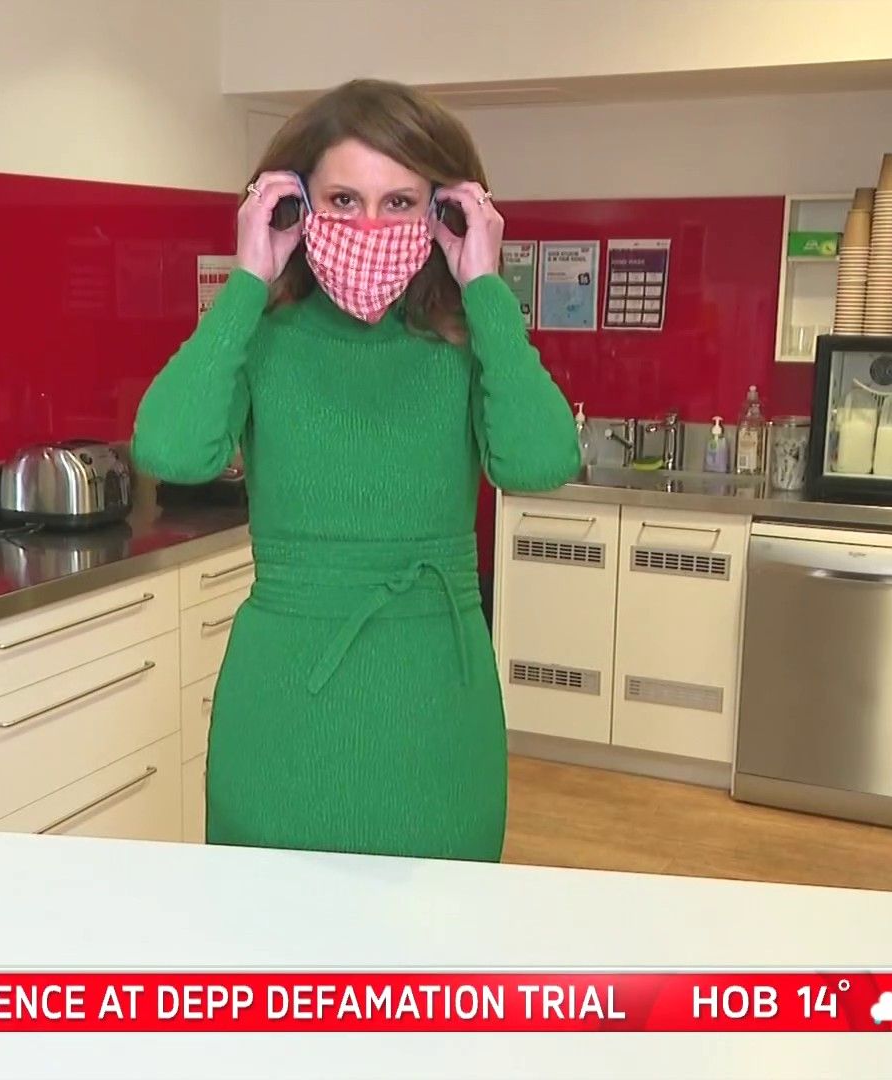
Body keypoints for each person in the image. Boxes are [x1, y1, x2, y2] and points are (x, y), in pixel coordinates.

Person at [133, 79, 579, 862]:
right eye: (344, 200)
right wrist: (246, 280)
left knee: (439, 934)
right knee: (273, 932)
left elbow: (540, 460)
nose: (370, 227)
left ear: (446, 211)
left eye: (399, 202)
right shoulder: (263, 334)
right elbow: (171, 449)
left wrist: (484, 287)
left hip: (437, 705)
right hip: (284, 708)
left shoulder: (466, 337)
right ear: (296, 204)